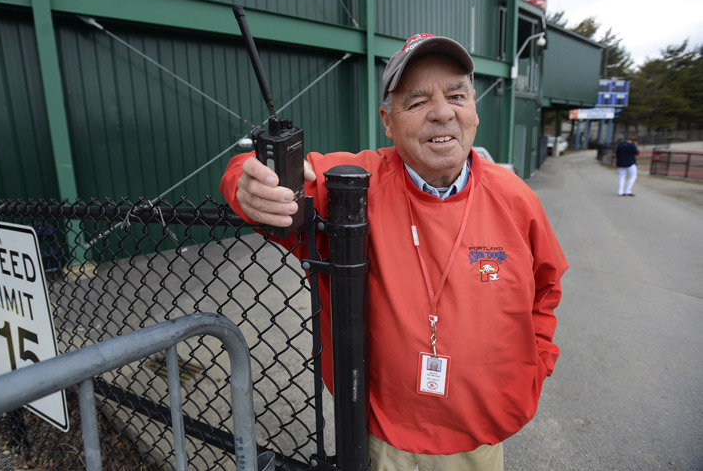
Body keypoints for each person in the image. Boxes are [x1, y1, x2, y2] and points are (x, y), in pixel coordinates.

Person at [220, 33, 567, 470]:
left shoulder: (516, 198)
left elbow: (546, 290)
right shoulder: (353, 184)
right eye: (418, 102)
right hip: (382, 440)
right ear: (388, 120)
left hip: (480, 440)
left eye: (457, 95)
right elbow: (270, 176)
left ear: (475, 110)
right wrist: (246, 183)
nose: (443, 113)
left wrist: (533, 365)